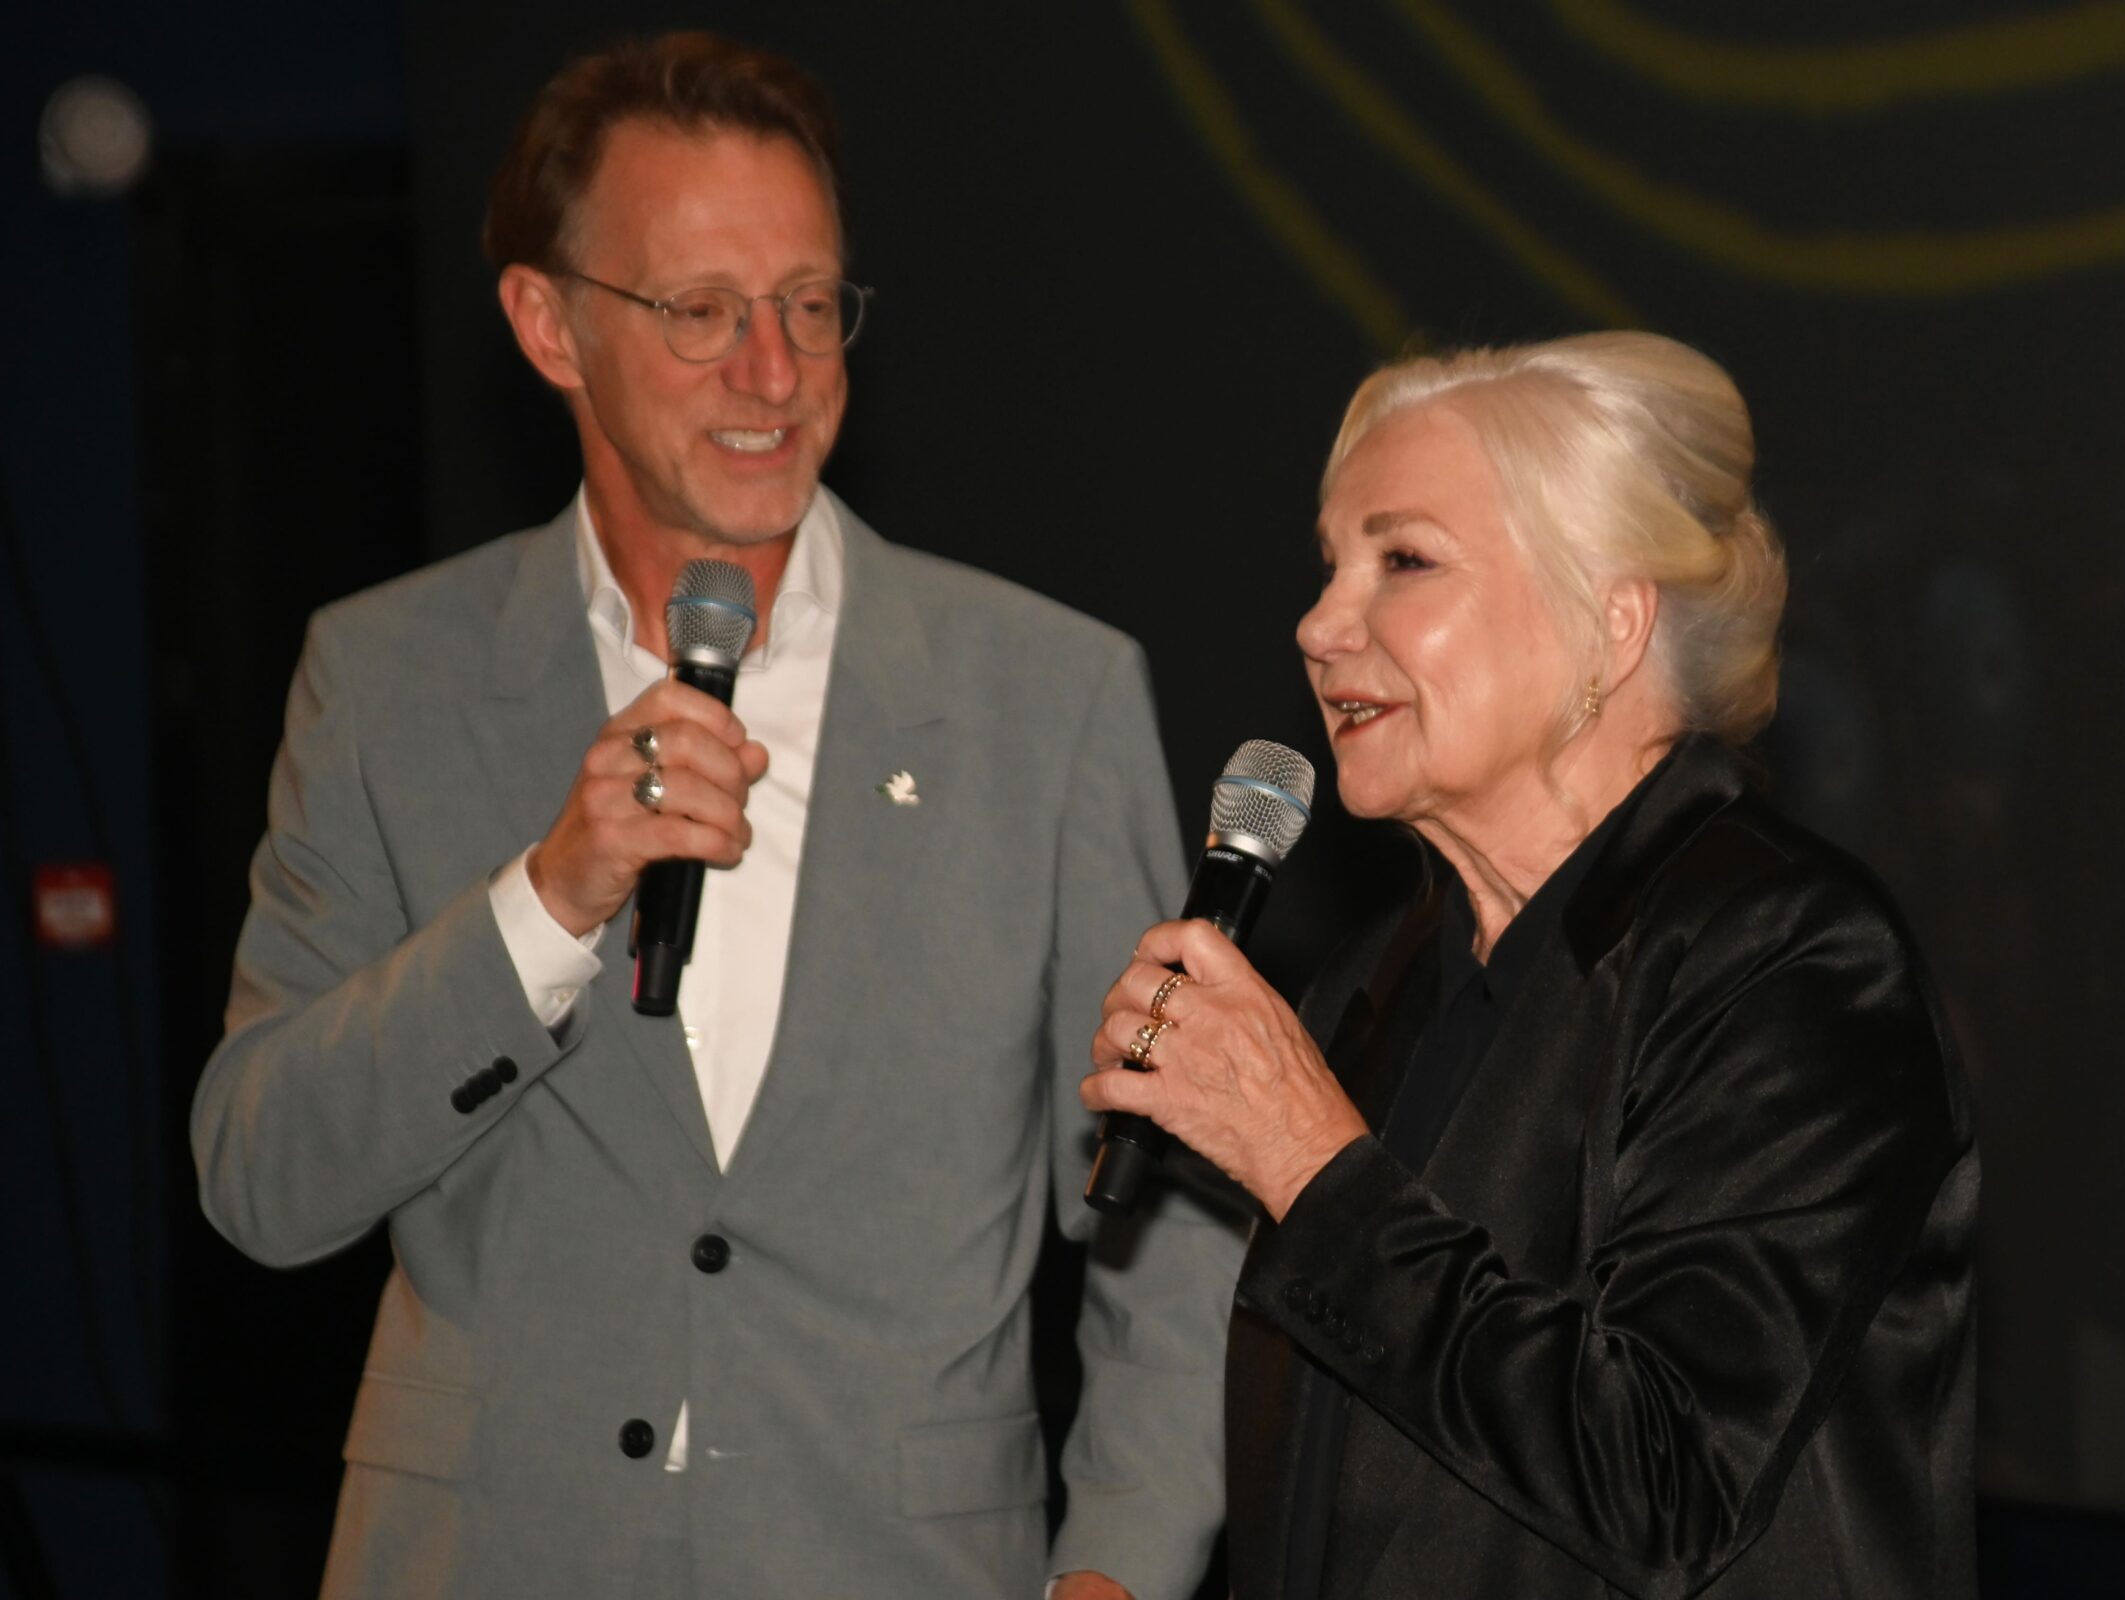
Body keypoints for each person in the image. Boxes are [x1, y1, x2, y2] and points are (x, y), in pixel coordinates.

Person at [192, 32, 1241, 1600]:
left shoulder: (1046, 696)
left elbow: (1167, 1213)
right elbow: (261, 1179)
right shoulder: (390, 679)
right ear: (549, 324)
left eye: (809, 305)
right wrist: (546, 904)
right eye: (700, 311)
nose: (773, 371)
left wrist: (1119, 1573)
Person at [1082, 332, 1977, 1598]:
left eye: (1403, 560)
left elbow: (1665, 1479)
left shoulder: (1792, 963)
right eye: (1330, 566)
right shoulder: (1375, 982)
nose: (1319, 625)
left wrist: (1306, 1162)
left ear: (1609, 621)